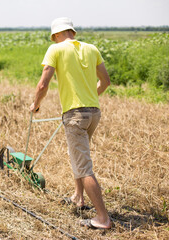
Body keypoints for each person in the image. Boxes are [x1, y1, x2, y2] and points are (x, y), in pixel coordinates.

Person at [29, 17, 112, 229]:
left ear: (56, 35)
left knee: (83, 166)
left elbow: (43, 84)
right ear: (72, 32)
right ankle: (78, 197)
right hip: (93, 113)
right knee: (77, 156)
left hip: (75, 115)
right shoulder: (91, 48)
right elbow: (105, 81)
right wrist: (90, 97)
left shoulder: (55, 49)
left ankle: (102, 218)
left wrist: (35, 105)